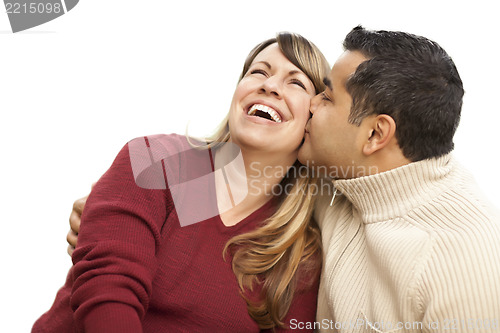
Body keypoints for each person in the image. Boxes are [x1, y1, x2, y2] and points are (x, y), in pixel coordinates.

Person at [32, 32, 331, 332]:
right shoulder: (156, 161)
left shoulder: (300, 255)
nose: (269, 85)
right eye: (258, 72)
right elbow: (108, 292)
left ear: (313, 120)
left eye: (296, 82)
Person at [298, 26, 500, 332]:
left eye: (327, 97)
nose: (310, 104)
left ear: (375, 134)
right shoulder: (340, 177)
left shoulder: (461, 259)